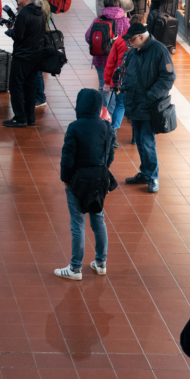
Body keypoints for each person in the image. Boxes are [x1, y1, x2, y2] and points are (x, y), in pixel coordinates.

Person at [54, 88, 114, 281]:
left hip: (78, 181)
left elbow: (67, 158)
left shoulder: (75, 127)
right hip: (100, 180)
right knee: (98, 219)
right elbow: (110, 155)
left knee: (77, 223)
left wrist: (66, 178)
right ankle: (101, 263)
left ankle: (75, 268)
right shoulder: (106, 127)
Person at [121, 23, 175, 194]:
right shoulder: (133, 53)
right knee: (140, 140)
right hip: (134, 104)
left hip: (148, 106)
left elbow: (168, 77)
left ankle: (152, 176)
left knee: (146, 141)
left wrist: (150, 95)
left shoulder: (159, 51)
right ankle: (145, 173)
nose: (129, 43)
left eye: (131, 40)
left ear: (141, 37)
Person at [3, 0, 48, 127]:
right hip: (36, 55)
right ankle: (30, 117)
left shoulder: (24, 14)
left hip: (22, 56)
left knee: (16, 87)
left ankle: (20, 117)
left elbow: (18, 36)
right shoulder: (41, 12)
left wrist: (9, 30)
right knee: (30, 87)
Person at [103, 13, 143, 145]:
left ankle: (113, 135)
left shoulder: (120, 40)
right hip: (138, 82)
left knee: (120, 105)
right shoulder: (145, 42)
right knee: (136, 108)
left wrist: (108, 81)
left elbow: (110, 63)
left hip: (121, 81)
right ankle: (135, 136)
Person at [85, 0, 130, 92]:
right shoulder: (126, 22)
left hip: (100, 58)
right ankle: (113, 107)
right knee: (117, 85)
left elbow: (88, 36)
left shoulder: (98, 19)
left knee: (103, 84)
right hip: (119, 60)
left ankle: (104, 107)